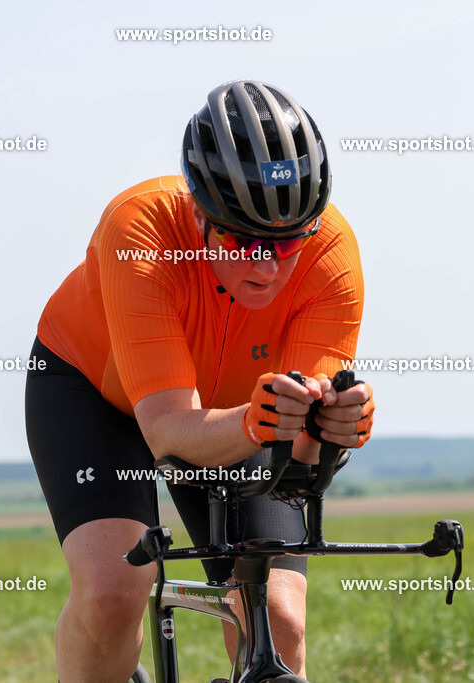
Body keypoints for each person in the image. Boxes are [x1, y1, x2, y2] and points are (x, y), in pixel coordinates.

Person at [25, 79, 375, 682]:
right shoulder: (141, 231)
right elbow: (165, 429)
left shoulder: (332, 256)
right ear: (198, 212)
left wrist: (332, 428)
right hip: (97, 393)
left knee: (279, 618)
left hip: (241, 414)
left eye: (288, 241)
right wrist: (255, 421)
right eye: (242, 241)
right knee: (114, 592)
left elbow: (296, 457)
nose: (266, 267)